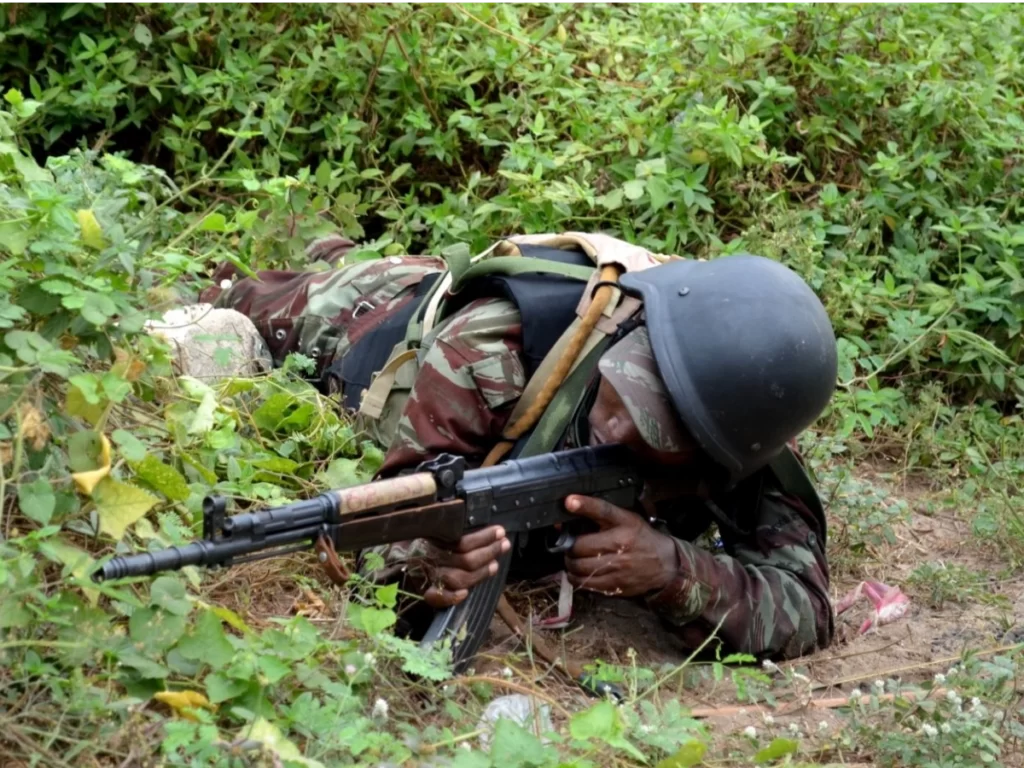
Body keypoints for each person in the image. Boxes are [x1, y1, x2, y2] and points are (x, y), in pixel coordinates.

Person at [201, 230, 838, 661]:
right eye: (618, 395)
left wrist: (675, 571)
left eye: (652, 431)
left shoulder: (743, 416)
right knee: (252, 300)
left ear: (713, 449)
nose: (614, 430)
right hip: (383, 326)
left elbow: (806, 610)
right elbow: (393, 521)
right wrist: (430, 561)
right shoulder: (493, 349)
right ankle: (326, 255)